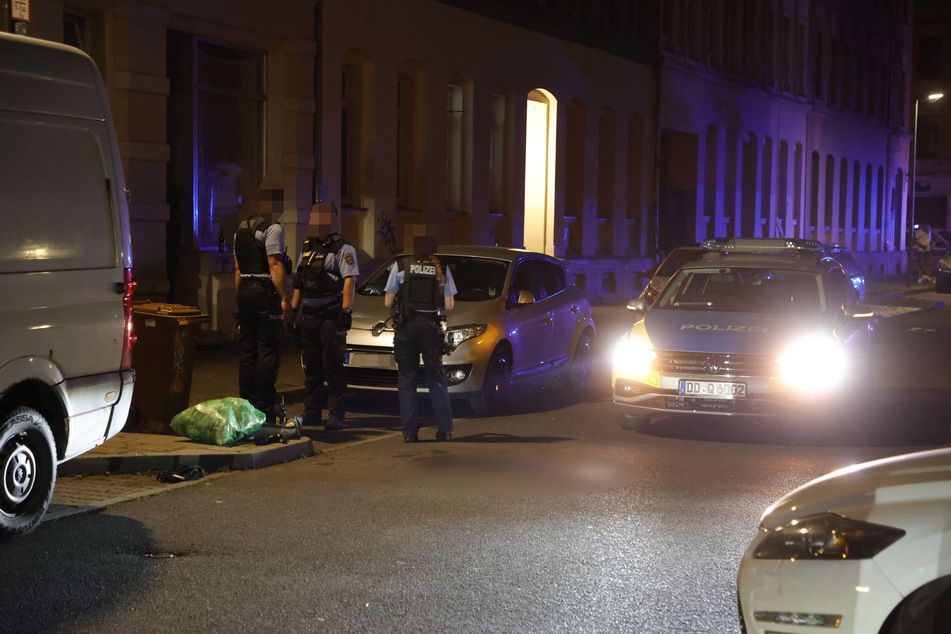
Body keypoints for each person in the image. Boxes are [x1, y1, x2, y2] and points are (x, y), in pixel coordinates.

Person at [384, 241, 457, 443]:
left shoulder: (401, 265)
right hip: (431, 329)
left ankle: (410, 433)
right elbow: (449, 305)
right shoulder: (441, 266)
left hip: (406, 328)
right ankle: (445, 430)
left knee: (407, 382)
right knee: (437, 380)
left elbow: (387, 301)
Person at [290, 233, 359, 430]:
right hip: (309, 316)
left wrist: (345, 311)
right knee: (312, 367)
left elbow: (349, 280)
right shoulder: (308, 246)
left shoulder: (343, 247)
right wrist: (293, 312)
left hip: (331, 315)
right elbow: (298, 281)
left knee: (333, 366)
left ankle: (336, 415)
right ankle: (312, 412)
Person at [233, 212, 291, 423]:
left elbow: (238, 270)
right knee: (269, 350)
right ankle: (265, 411)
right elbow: (274, 264)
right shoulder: (272, 228)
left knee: (249, 351)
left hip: (245, 292)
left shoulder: (239, 232)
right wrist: (284, 297)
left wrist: (239, 300)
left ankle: (246, 408)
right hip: (264, 293)